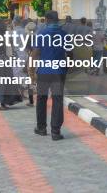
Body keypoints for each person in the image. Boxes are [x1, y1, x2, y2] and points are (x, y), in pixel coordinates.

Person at [31, 10, 67, 141]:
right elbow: (70, 54)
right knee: (57, 99)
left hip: (44, 72)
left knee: (41, 98)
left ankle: (41, 128)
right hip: (59, 72)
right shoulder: (64, 34)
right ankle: (55, 131)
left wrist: (31, 71)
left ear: (46, 20)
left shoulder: (41, 33)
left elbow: (35, 53)